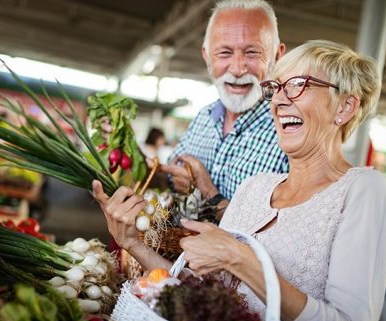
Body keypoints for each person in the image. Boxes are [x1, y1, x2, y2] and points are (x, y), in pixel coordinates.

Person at [92, 40, 386, 321]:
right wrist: (132, 242)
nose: (278, 100)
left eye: (297, 85)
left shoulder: (363, 190)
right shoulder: (255, 187)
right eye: (275, 88)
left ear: (345, 107)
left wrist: (241, 259)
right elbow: (204, 297)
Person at [100, 0, 289, 218]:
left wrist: (207, 192)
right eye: (225, 53)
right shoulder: (204, 117)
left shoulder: (289, 129)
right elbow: (168, 181)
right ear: (207, 56)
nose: (237, 69)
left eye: (253, 53)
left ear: (277, 55)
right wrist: (131, 153)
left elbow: (282, 231)